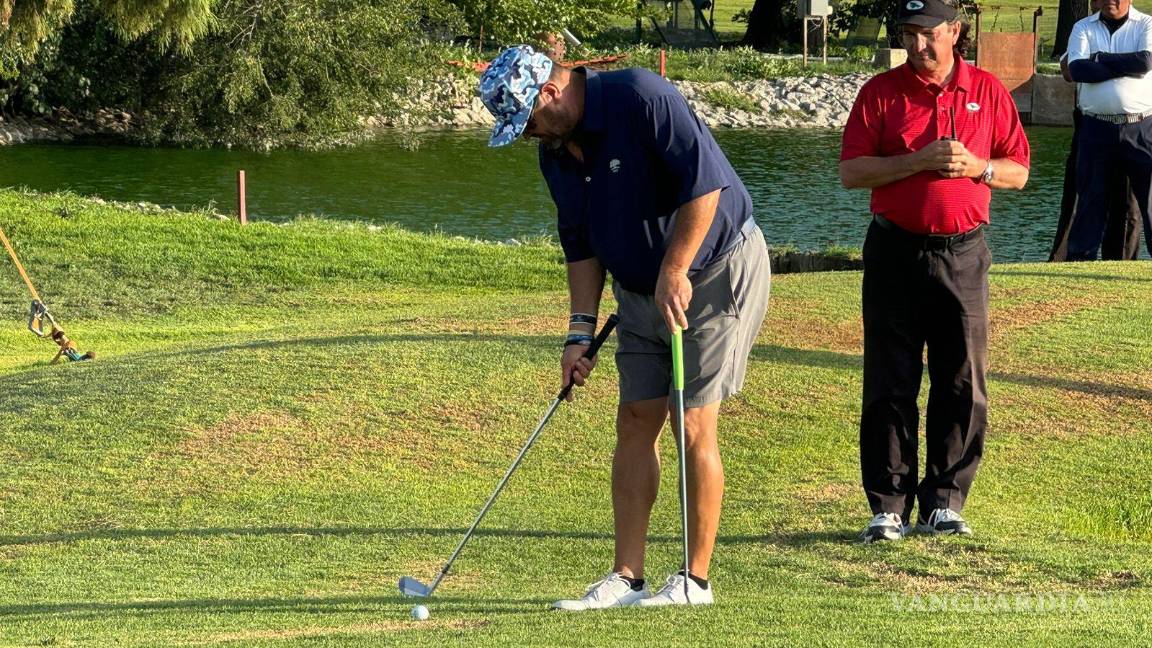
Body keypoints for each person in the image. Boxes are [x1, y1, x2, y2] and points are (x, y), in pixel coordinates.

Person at [478, 46, 770, 608]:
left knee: (691, 422)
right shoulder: (556, 152)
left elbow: (704, 186)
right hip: (638, 291)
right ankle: (627, 576)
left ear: (551, 91)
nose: (528, 135)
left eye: (528, 121)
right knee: (636, 419)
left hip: (712, 273)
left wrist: (676, 268)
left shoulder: (641, 96)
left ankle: (694, 581)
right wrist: (578, 332)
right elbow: (581, 243)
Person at [839, 0, 1030, 543]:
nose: (917, 45)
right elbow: (852, 171)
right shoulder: (881, 91)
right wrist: (917, 161)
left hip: (963, 253)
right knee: (889, 379)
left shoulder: (988, 90)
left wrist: (981, 168)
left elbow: (1018, 171)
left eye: (927, 34)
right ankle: (888, 506)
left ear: (954, 31)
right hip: (893, 252)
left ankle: (945, 501)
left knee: (962, 380)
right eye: (909, 34)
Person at [1064, 0, 1152, 260]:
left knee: (1149, 201)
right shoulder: (1082, 27)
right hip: (1096, 128)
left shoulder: (1147, 24)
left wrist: (1100, 58)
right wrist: (1125, 66)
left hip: (1142, 128)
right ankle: (1079, 264)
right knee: (1091, 199)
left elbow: (1145, 62)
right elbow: (1077, 68)